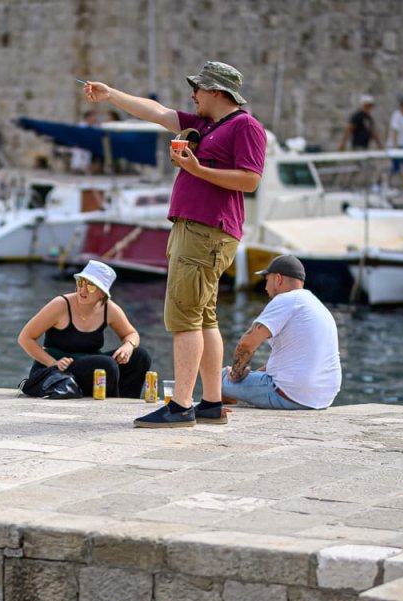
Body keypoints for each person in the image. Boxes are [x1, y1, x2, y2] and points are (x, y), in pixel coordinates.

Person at [83, 60, 266, 428]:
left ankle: (181, 406)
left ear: (215, 91)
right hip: (196, 230)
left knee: (184, 316)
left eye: (197, 89)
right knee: (204, 317)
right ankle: (211, 402)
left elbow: (250, 180)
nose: (192, 95)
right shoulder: (203, 124)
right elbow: (157, 112)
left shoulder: (245, 126)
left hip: (205, 231)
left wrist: (198, 170)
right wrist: (111, 94)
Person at [221, 255, 341, 411]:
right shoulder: (316, 305)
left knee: (219, 377)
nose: (265, 287)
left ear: (278, 279)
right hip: (323, 398)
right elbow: (292, 360)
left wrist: (235, 375)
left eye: (266, 280)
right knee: (250, 377)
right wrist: (253, 375)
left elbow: (247, 343)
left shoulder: (285, 300)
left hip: (290, 395)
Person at [18, 259, 151, 398]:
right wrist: (53, 363)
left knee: (140, 356)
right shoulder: (60, 304)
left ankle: (126, 402)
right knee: (106, 365)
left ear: (102, 293)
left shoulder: (109, 308)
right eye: (81, 282)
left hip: (91, 365)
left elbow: (131, 333)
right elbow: (25, 338)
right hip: (57, 370)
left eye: (91, 286)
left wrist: (128, 346)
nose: (83, 290)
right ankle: (112, 404)